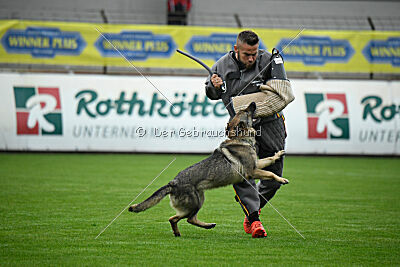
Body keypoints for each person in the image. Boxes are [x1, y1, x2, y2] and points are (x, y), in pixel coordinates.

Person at [205, 30, 294, 238]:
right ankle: (254, 219)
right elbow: (211, 93)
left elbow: (284, 95)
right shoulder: (221, 66)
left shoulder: (269, 60)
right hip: (241, 130)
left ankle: (252, 203)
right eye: (247, 54)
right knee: (241, 171)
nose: (252, 58)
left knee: (274, 179)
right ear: (236, 49)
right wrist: (214, 88)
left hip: (272, 125)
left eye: (254, 53)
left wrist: (245, 106)